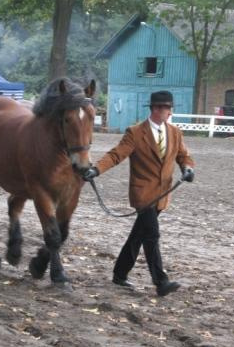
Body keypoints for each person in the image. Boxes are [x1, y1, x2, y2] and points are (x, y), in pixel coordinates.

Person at [82, 91, 195, 297]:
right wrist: (96, 169)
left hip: (163, 194)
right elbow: (117, 154)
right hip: (143, 193)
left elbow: (183, 155)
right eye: (161, 107)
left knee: (139, 235)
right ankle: (161, 281)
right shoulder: (135, 132)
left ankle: (120, 273)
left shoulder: (175, 132)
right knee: (152, 234)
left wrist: (187, 168)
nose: (166, 112)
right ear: (153, 109)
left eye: (168, 108)